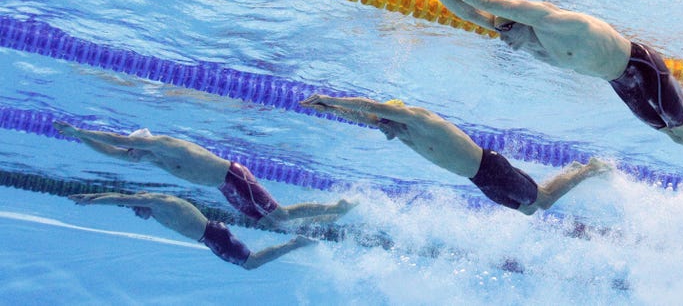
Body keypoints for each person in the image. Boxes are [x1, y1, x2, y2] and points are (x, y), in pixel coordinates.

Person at [393, 0, 683, 158]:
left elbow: (490, 3)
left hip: (640, 69)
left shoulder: (550, 22)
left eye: (508, 31)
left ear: (523, 23)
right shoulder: (525, 35)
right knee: (679, 138)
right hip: (621, 83)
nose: (504, 39)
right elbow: (476, 15)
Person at [298, 94, 608, 214]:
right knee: (530, 209)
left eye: (385, 126)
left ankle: (588, 169)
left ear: (395, 116)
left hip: (490, 168)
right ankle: (573, 170)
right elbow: (367, 118)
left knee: (543, 201)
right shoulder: (401, 131)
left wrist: (327, 98)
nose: (383, 131)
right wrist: (332, 111)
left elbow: (372, 108)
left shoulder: (418, 120)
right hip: (478, 179)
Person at [53, 121, 355, 226]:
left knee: (282, 217)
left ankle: (337, 208)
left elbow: (119, 143)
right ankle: (328, 216)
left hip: (234, 177)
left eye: (134, 151)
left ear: (141, 143)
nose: (132, 157)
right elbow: (114, 152)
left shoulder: (162, 146)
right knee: (273, 221)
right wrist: (80, 139)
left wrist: (78, 130)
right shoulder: (154, 159)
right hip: (224, 188)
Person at [69, 191, 316, 269]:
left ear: (141, 202)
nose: (136, 213)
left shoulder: (158, 202)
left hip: (213, 236)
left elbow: (119, 197)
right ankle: (296, 243)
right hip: (211, 236)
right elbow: (125, 200)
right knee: (251, 263)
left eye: (136, 209)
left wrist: (91, 199)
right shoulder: (154, 208)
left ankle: (297, 243)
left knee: (251, 263)